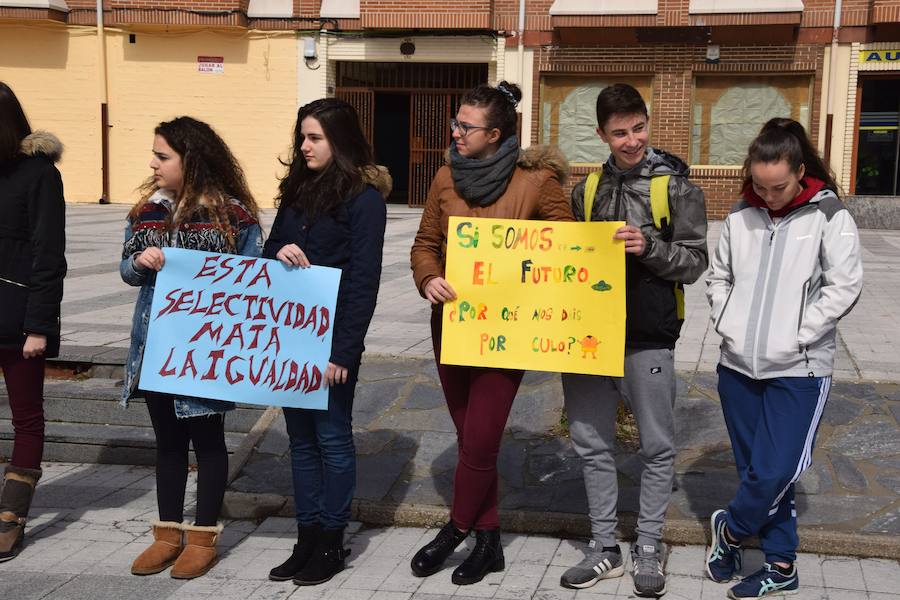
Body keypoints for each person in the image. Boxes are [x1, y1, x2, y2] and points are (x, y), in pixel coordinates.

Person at [409, 81, 574, 585]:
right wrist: (428, 277)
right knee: (468, 438)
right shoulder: (444, 178)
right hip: (452, 325)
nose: (454, 132)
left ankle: (456, 529)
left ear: (496, 134)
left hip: (507, 332)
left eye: (465, 126)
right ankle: (490, 540)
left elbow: (566, 246)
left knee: (480, 441)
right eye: (456, 123)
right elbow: (424, 242)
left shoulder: (535, 181)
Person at [559, 83, 708, 598]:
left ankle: (649, 544)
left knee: (657, 446)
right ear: (601, 134)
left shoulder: (677, 188)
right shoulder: (584, 190)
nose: (631, 141)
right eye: (619, 132)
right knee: (591, 444)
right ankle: (604, 549)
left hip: (648, 335)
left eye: (638, 128)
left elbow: (694, 263)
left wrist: (649, 247)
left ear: (648, 123)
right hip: (585, 337)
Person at [705, 118, 863, 600]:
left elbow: (845, 286)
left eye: (778, 186)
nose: (768, 195)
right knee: (757, 470)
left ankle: (729, 531)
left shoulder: (829, 217)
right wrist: (726, 322)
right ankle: (781, 564)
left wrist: (801, 333)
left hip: (800, 369)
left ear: (800, 173)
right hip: (738, 368)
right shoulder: (739, 217)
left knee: (778, 471)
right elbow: (719, 277)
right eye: (759, 185)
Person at [121, 116, 263, 579]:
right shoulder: (148, 211)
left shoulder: (233, 215)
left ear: (191, 160)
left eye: (163, 156)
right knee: (167, 443)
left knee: (208, 440)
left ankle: (203, 538)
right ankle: (166, 535)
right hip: (157, 348)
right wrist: (141, 260)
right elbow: (126, 269)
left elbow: (252, 278)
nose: (153, 163)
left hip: (204, 351)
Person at [264, 98, 388, 586]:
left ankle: (333, 540)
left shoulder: (364, 199)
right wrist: (282, 250)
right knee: (300, 441)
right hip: (292, 336)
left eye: (314, 137)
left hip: (332, 341)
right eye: (302, 136)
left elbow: (364, 280)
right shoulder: (298, 189)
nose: (304, 145)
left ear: (338, 140)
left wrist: (343, 352)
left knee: (332, 438)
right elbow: (272, 246)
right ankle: (307, 536)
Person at [0, 81, 67, 563]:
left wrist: (39, 325)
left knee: (26, 415)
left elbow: (49, 254)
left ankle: (10, 519)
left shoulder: (38, 174)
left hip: (18, 317)